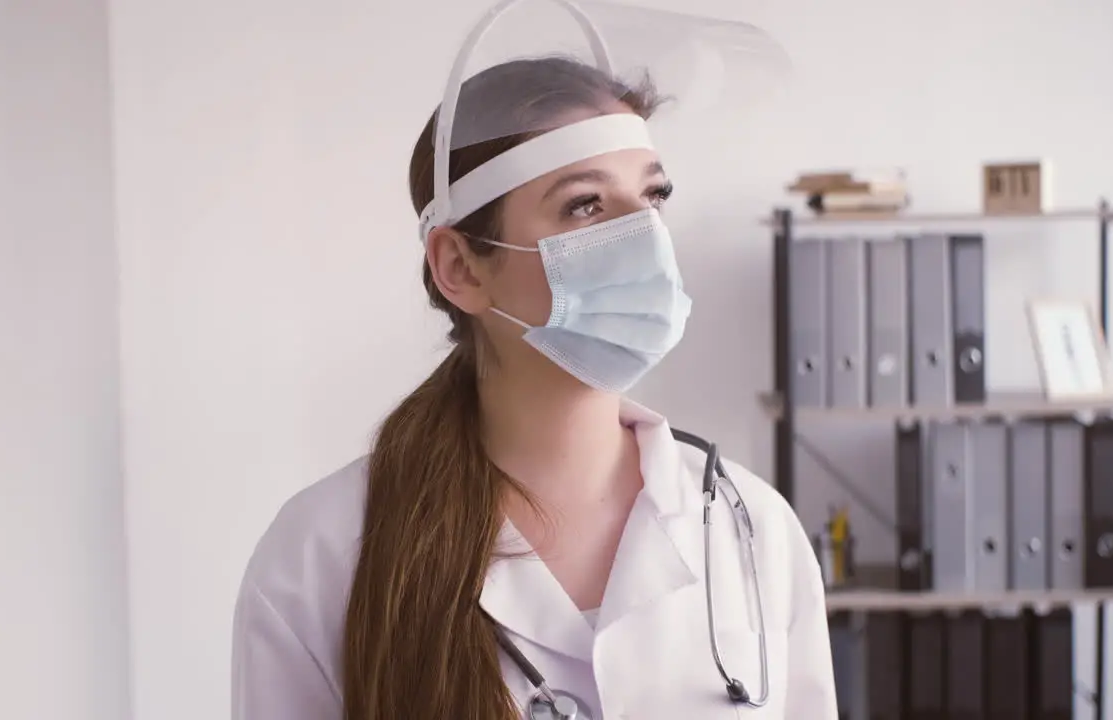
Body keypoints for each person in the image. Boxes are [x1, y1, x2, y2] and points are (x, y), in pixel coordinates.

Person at [232, 2, 834, 718]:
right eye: (584, 206)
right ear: (460, 266)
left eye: (652, 195)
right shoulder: (322, 557)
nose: (643, 235)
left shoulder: (752, 531)